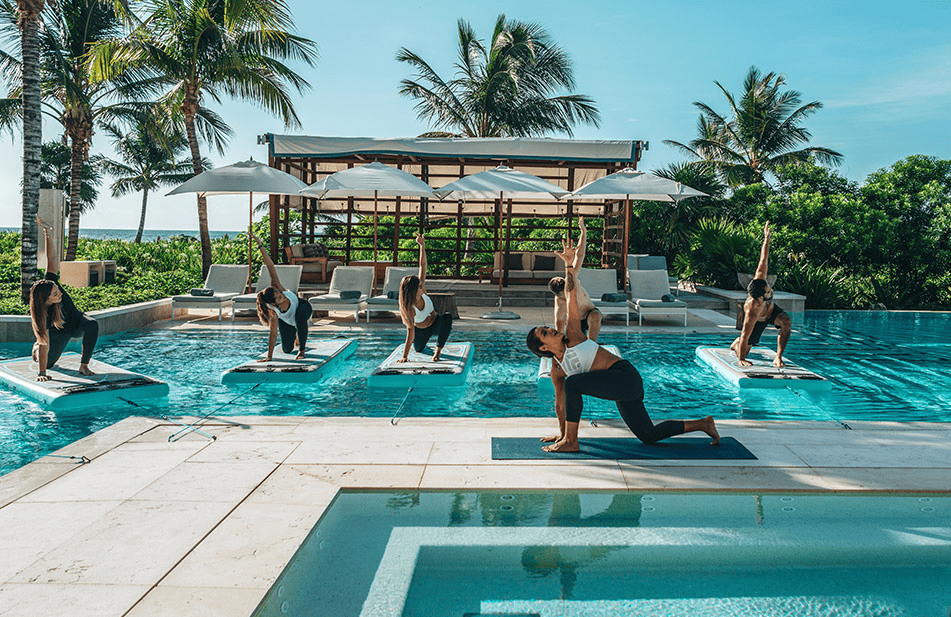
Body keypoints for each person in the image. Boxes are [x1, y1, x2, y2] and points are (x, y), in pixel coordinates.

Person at [526, 238, 719, 452]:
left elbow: (571, 298)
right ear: (543, 348)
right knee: (648, 435)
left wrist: (569, 266)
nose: (551, 329)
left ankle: (573, 442)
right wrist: (561, 433)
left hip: (625, 376)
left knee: (574, 384)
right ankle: (703, 423)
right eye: (545, 333)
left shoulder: (573, 335)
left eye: (547, 328)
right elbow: (561, 404)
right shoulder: (556, 369)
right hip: (621, 387)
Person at [30, 217, 99, 381]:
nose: (60, 294)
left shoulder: (50, 284)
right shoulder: (42, 315)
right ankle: (34, 350)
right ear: (46, 299)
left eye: (58, 290)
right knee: (47, 363)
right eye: (55, 294)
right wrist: (42, 374)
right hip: (58, 333)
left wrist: (47, 233)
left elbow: (52, 259)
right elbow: (44, 343)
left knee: (92, 324)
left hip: (75, 321)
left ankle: (84, 366)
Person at [730, 221, 792, 368]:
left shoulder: (760, 279)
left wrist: (767, 239)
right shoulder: (752, 309)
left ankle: (778, 357)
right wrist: (741, 359)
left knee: (786, 321)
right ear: (759, 298)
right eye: (768, 291)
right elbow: (746, 333)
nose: (771, 290)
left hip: (770, 313)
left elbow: (763, 258)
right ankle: (736, 344)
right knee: (743, 349)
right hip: (757, 320)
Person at [252, 232, 312, 361]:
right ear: (274, 304)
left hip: (302, 307)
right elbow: (273, 334)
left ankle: (302, 350)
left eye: (281, 294)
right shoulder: (273, 312)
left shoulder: (279, 289)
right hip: (287, 320)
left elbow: (270, 267)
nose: (283, 297)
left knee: (300, 316)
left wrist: (260, 246)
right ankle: (295, 336)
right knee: (287, 349)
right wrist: (269, 357)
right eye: (279, 298)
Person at [397, 233, 452, 363]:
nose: (423, 288)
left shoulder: (422, 290)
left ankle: (437, 352)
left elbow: (422, 265)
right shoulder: (409, 308)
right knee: (418, 349)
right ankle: (423, 345)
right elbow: (410, 333)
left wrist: (422, 246)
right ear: (412, 291)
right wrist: (405, 356)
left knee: (447, 318)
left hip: (435, 323)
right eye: (420, 287)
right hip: (421, 331)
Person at [548, 218, 601, 341]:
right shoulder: (560, 303)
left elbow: (580, 254)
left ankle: (592, 345)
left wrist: (583, 231)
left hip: (589, 313)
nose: (568, 291)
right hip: (575, 322)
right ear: (559, 295)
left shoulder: (573, 280)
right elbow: (559, 326)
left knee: (595, 316)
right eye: (565, 292)